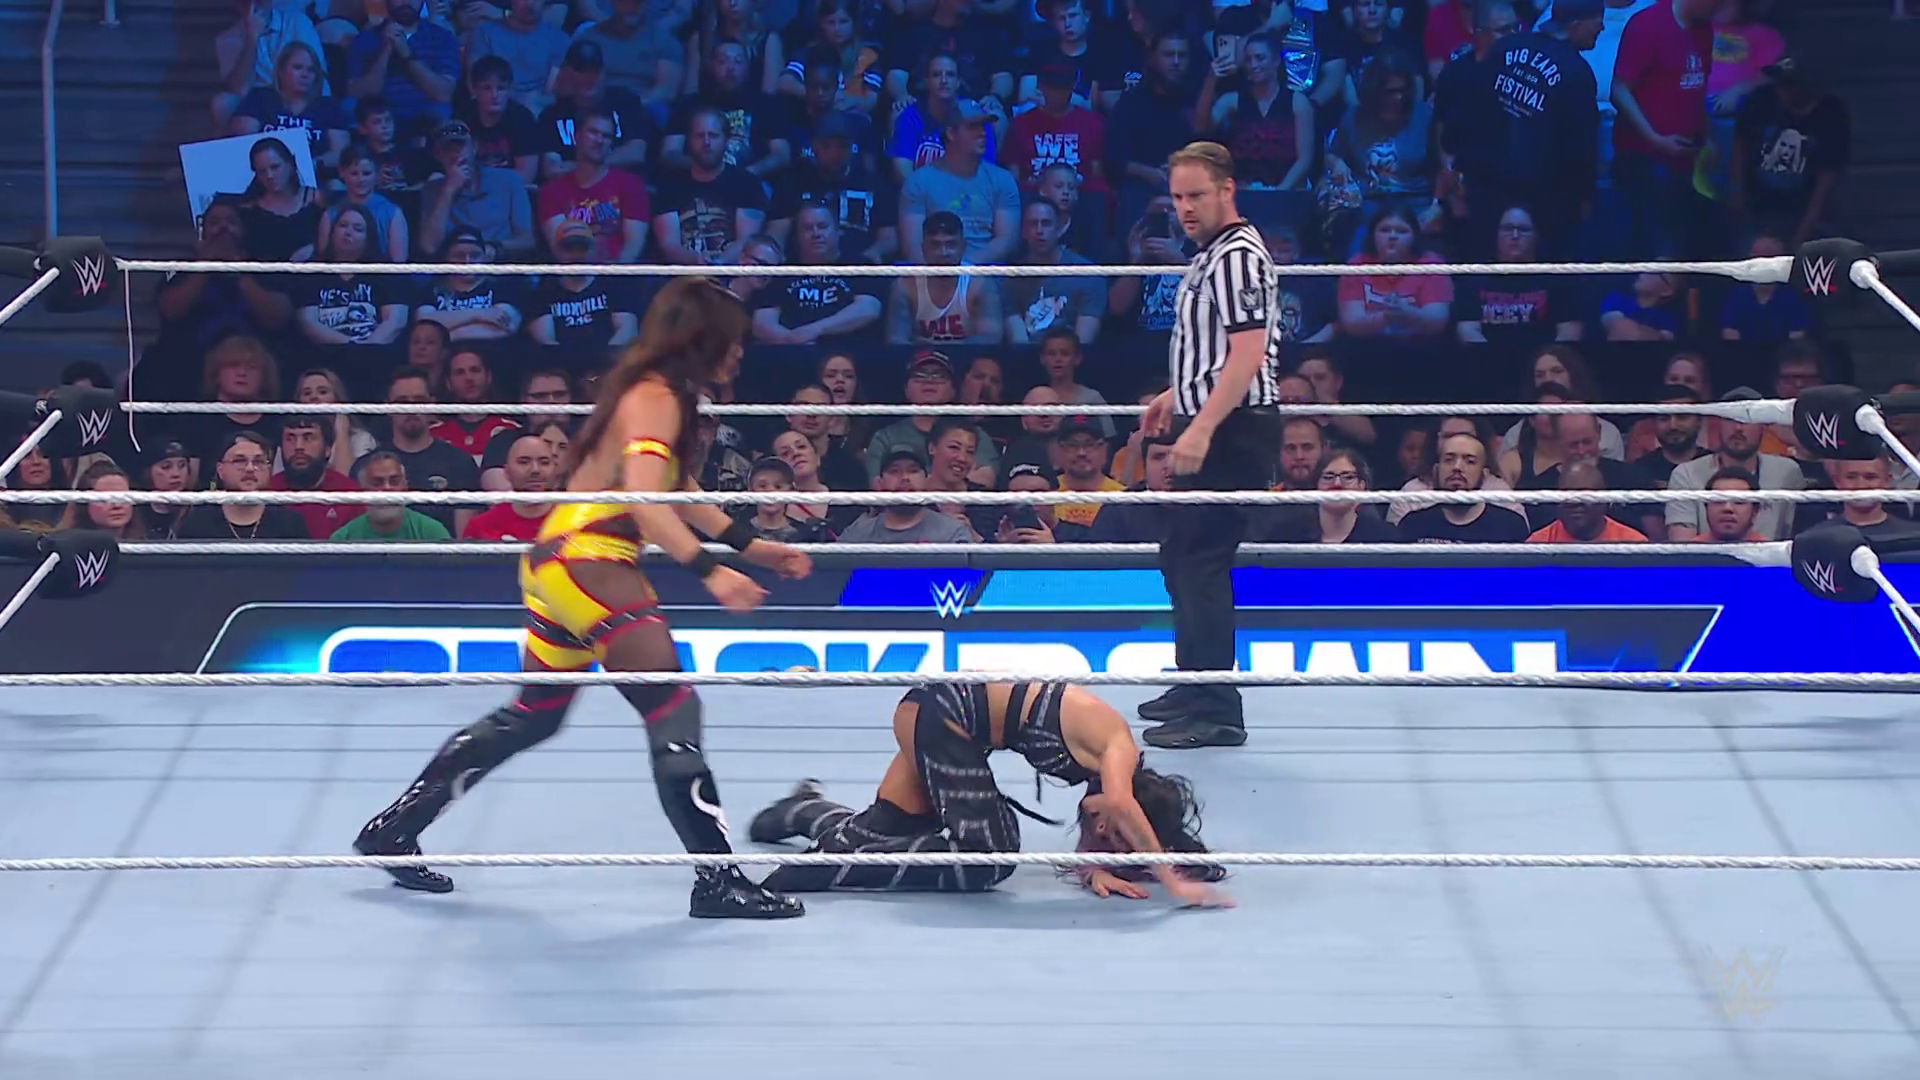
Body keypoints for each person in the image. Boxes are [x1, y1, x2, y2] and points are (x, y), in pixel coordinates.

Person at [354, 278, 811, 920]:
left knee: (535, 713)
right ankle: (717, 880)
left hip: (557, 564)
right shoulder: (657, 396)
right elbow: (647, 503)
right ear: (702, 339)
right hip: (593, 560)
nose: (740, 353)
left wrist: (756, 549)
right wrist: (711, 572)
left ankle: (394, 828)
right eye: (732, 341)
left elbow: (678, 491)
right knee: (672, 705)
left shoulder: (649, 393)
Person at [749, 681, 1231, 906]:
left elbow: (1104, 812)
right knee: (990, 856)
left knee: (894, 822)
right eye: (1118, 835)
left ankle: (804, 810)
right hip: (942, 715)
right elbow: (1118, 806)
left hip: (940, 717)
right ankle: (824, 868)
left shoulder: (1103, 784)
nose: (1104, 830)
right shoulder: (1119, 750)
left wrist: (1094, 868)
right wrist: (1173, 883)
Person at [1138, 141, 1283, 750]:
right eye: (1177, 197)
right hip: (1211, 416)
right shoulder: (1211, 254)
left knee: (1201, 561)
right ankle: (1195, 682)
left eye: (1196, 195)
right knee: (1179, 554)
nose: (1185, 208)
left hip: (1234, 428)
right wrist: (1177, 394)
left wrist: (1200, 428)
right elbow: (1217, 349)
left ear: (1228, 190)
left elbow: (1248, 355)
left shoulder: (1239, 257)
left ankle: (1219, 707)